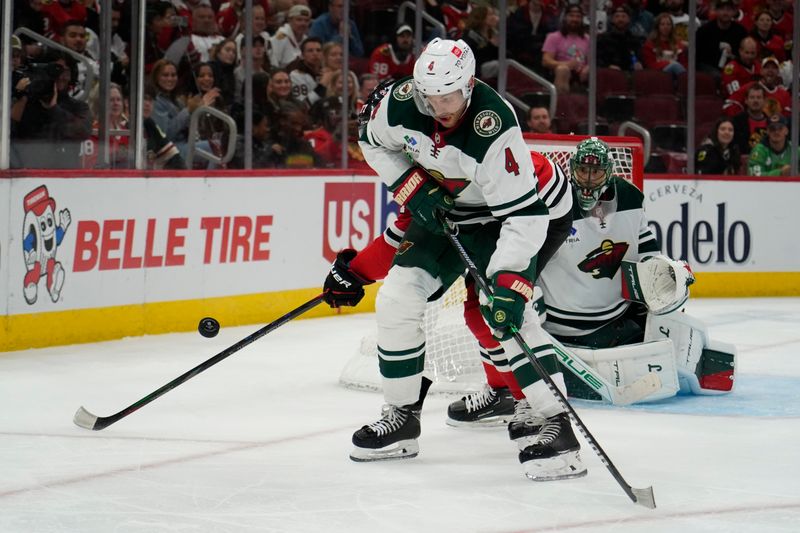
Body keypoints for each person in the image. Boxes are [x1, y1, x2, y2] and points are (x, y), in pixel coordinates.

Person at [328, 38, 586, 481]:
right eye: (430, 98)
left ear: (468, 86)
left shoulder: (493, 126)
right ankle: (402, 417)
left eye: (448, 97)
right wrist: (411, 187)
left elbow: (523, 218)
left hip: (526, 208)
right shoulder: (403, 105)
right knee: (397, 298)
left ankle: (554, 423)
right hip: (452, 206)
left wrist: (510, 286)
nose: (439, 107)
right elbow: (371, 144)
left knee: (502, 311)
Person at [541, 3, 589, 94]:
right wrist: (565, 64)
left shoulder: (588, 39)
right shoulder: (554, 37)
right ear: (565, 18)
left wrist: (588, 68)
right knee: (563, 70)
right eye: (571, 16)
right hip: (560, 73)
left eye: (578, 16)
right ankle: (561, 105)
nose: (575, 19)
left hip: (582, 75)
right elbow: (546, 61)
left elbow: (592, 61)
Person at [696, 0, 748, 78]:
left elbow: (745, 56)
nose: (725, 13)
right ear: (716, 11)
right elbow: (697, 57)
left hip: (733, 67)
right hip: (708, 68)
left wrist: (732, 56)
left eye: (728, 10)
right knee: (718, 76)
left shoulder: (741, 31)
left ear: (734, 12)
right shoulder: (704, 30)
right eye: (722, 9)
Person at [597, 5, 644, 72]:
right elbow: (598, 59)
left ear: (629, 19)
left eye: (623, 16)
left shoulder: (635, 40)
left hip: (630, 75)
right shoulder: (603, 39)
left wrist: (639, 63)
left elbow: (639, 58)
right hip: (609, 74)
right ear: (612, 19)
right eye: (617, 16)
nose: (620, 19)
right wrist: (608, 66)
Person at [640, 12, 687, 78]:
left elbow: (684, 64)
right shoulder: (649, 45)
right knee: (675, 66)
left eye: (668, 24)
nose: (666, 27)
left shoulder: (678, 44)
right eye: (662, 24)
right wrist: (670, 63)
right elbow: (650, 65)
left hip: (677, 75)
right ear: (657, 27)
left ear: (672, 27)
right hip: (657, 75)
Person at [287, 37, 325, 110]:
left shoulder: (327, 72)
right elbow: (303, 105)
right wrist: (322, 85)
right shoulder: (296, 75)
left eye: (318, 50)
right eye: (310, 51)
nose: (315, 53)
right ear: (302, 55)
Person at [270, 4, 312, 68]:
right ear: (290, 20)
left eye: (306, 20)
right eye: (299, 20)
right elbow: (273, 63)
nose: (303, 23)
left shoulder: (306, 40)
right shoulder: (280, 38)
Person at [731, 84, 768, 155]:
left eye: (759, 97)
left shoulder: (771, 122)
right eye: (752, 97)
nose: (755, 100)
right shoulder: (736, 121)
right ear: (746, 101)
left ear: (764, 101)